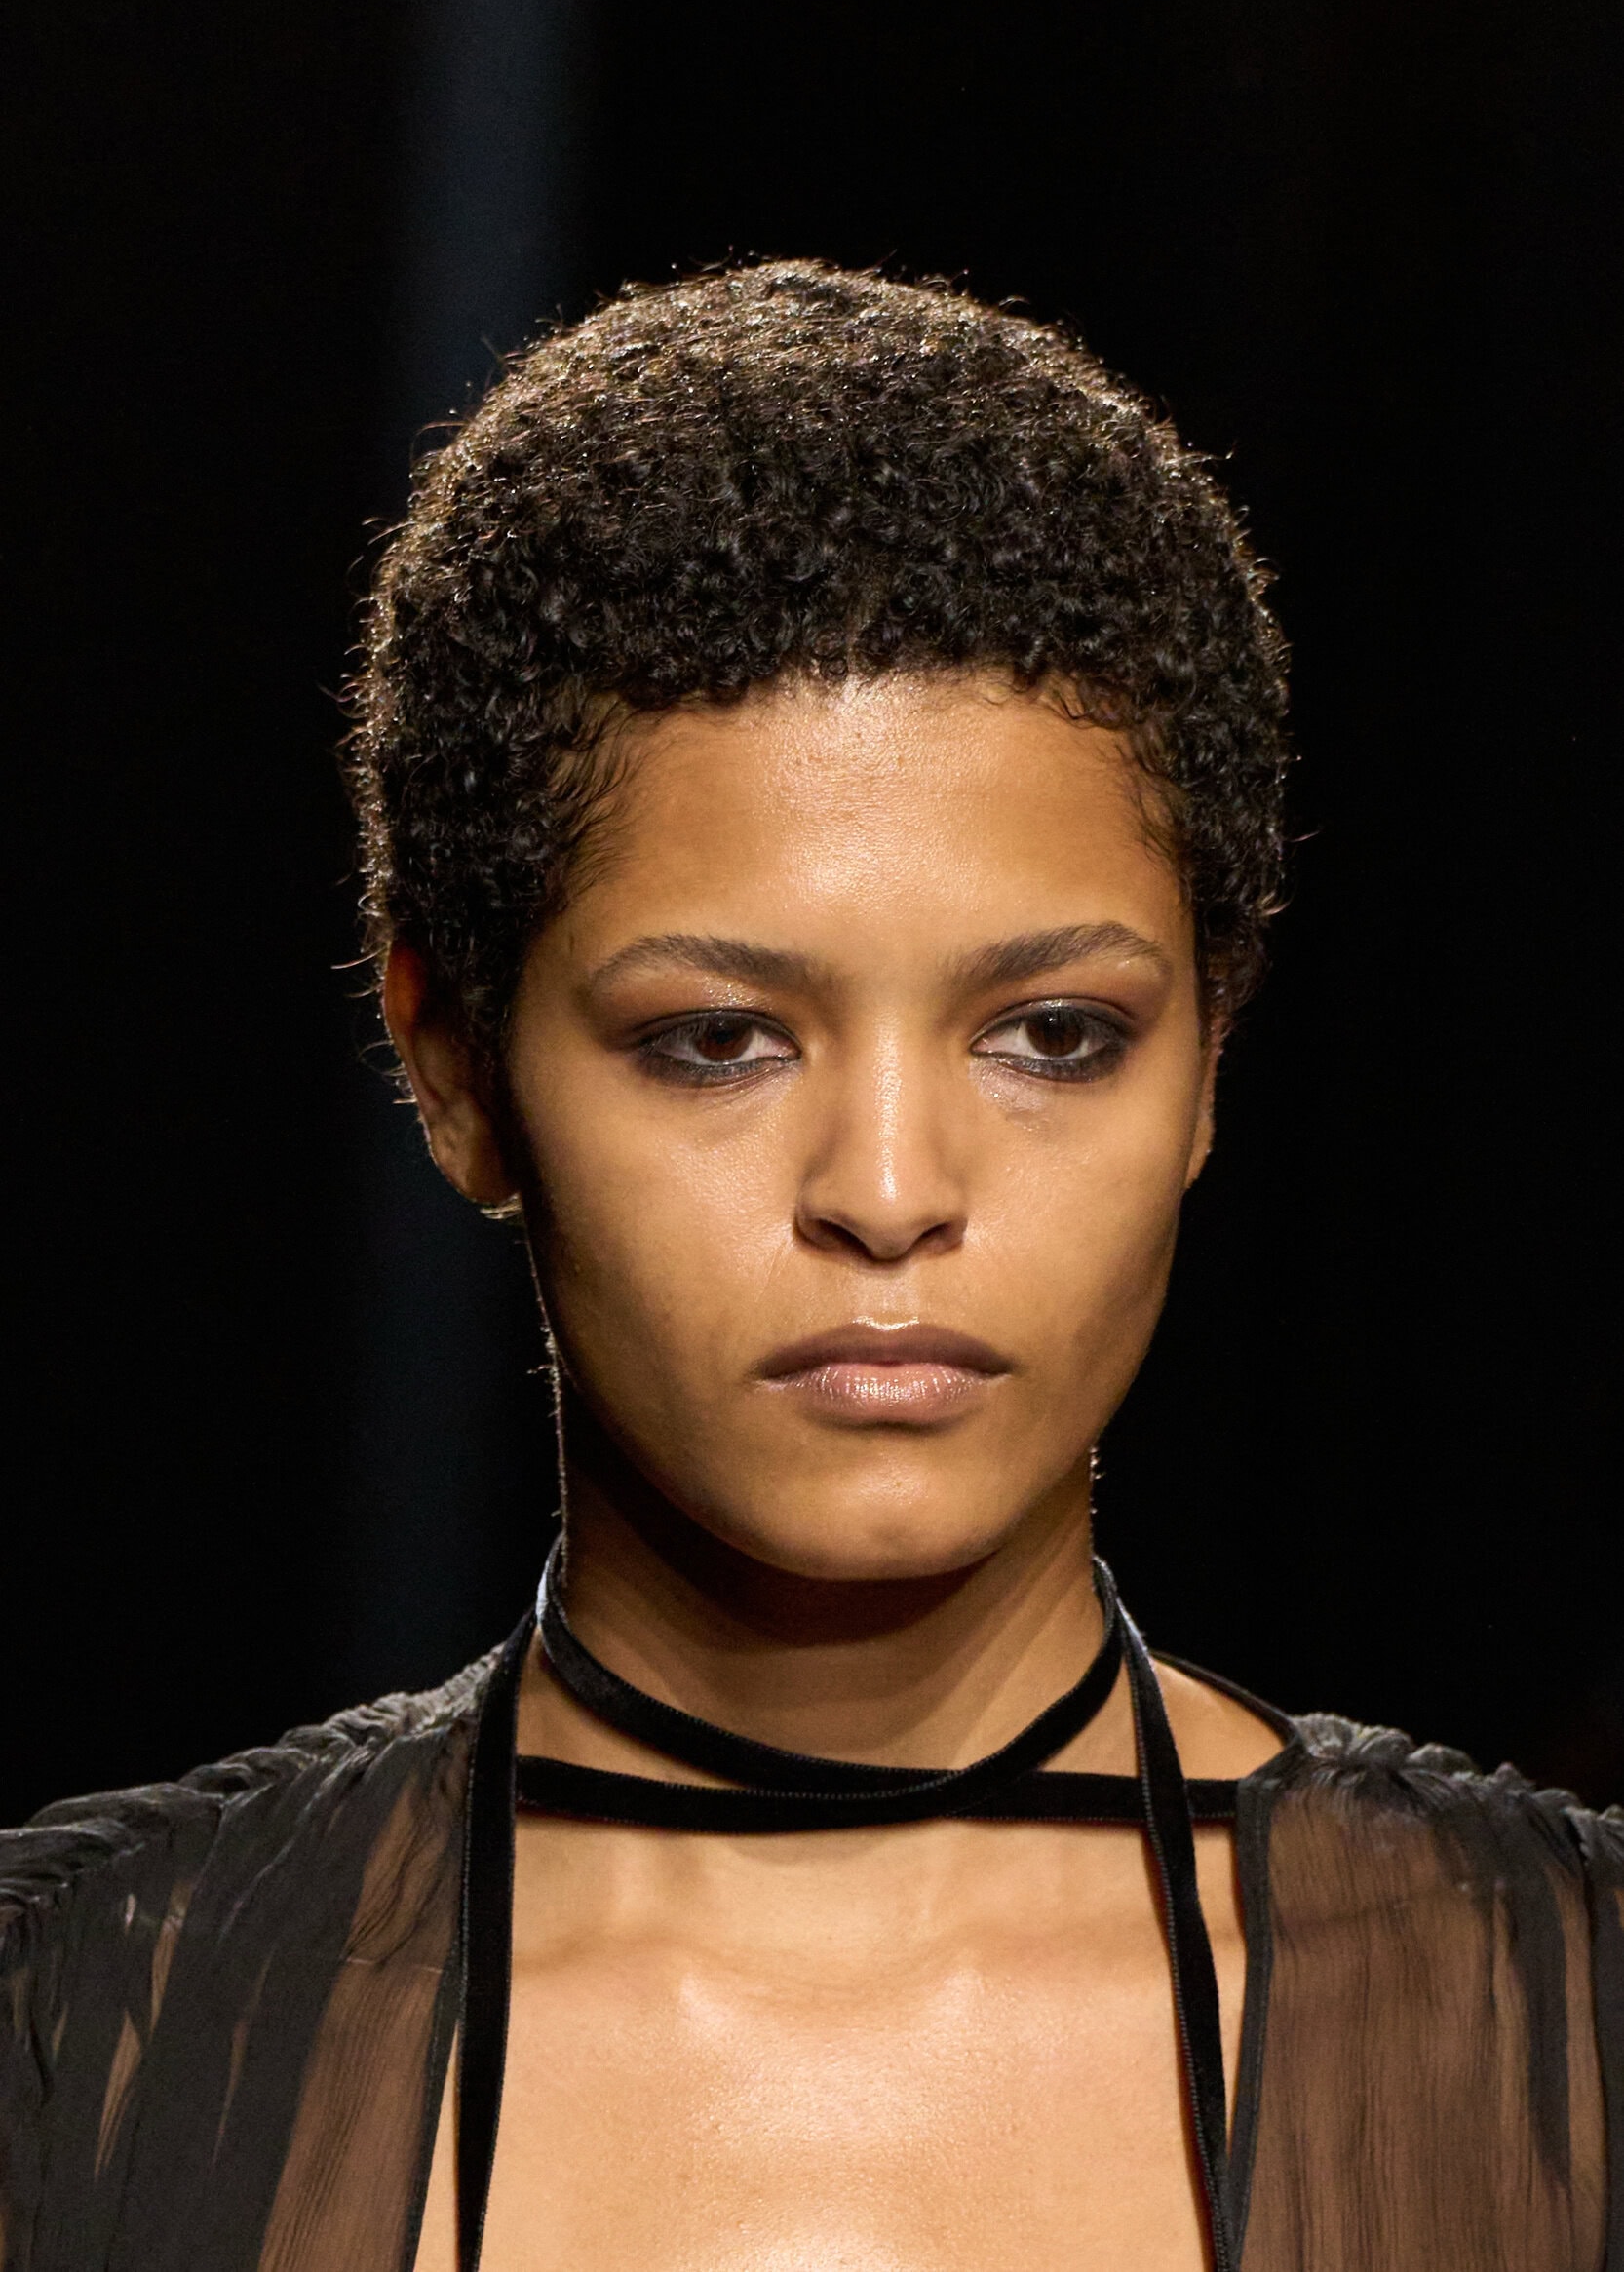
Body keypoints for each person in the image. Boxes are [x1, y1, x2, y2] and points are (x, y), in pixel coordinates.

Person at [2, 262, 1618, 2272]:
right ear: (454, 1070)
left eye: (1052, 1034)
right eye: (716, 1040)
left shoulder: (1565, 2026)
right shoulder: (75, 2039)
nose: (888, 1189)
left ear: (1209, 1056)